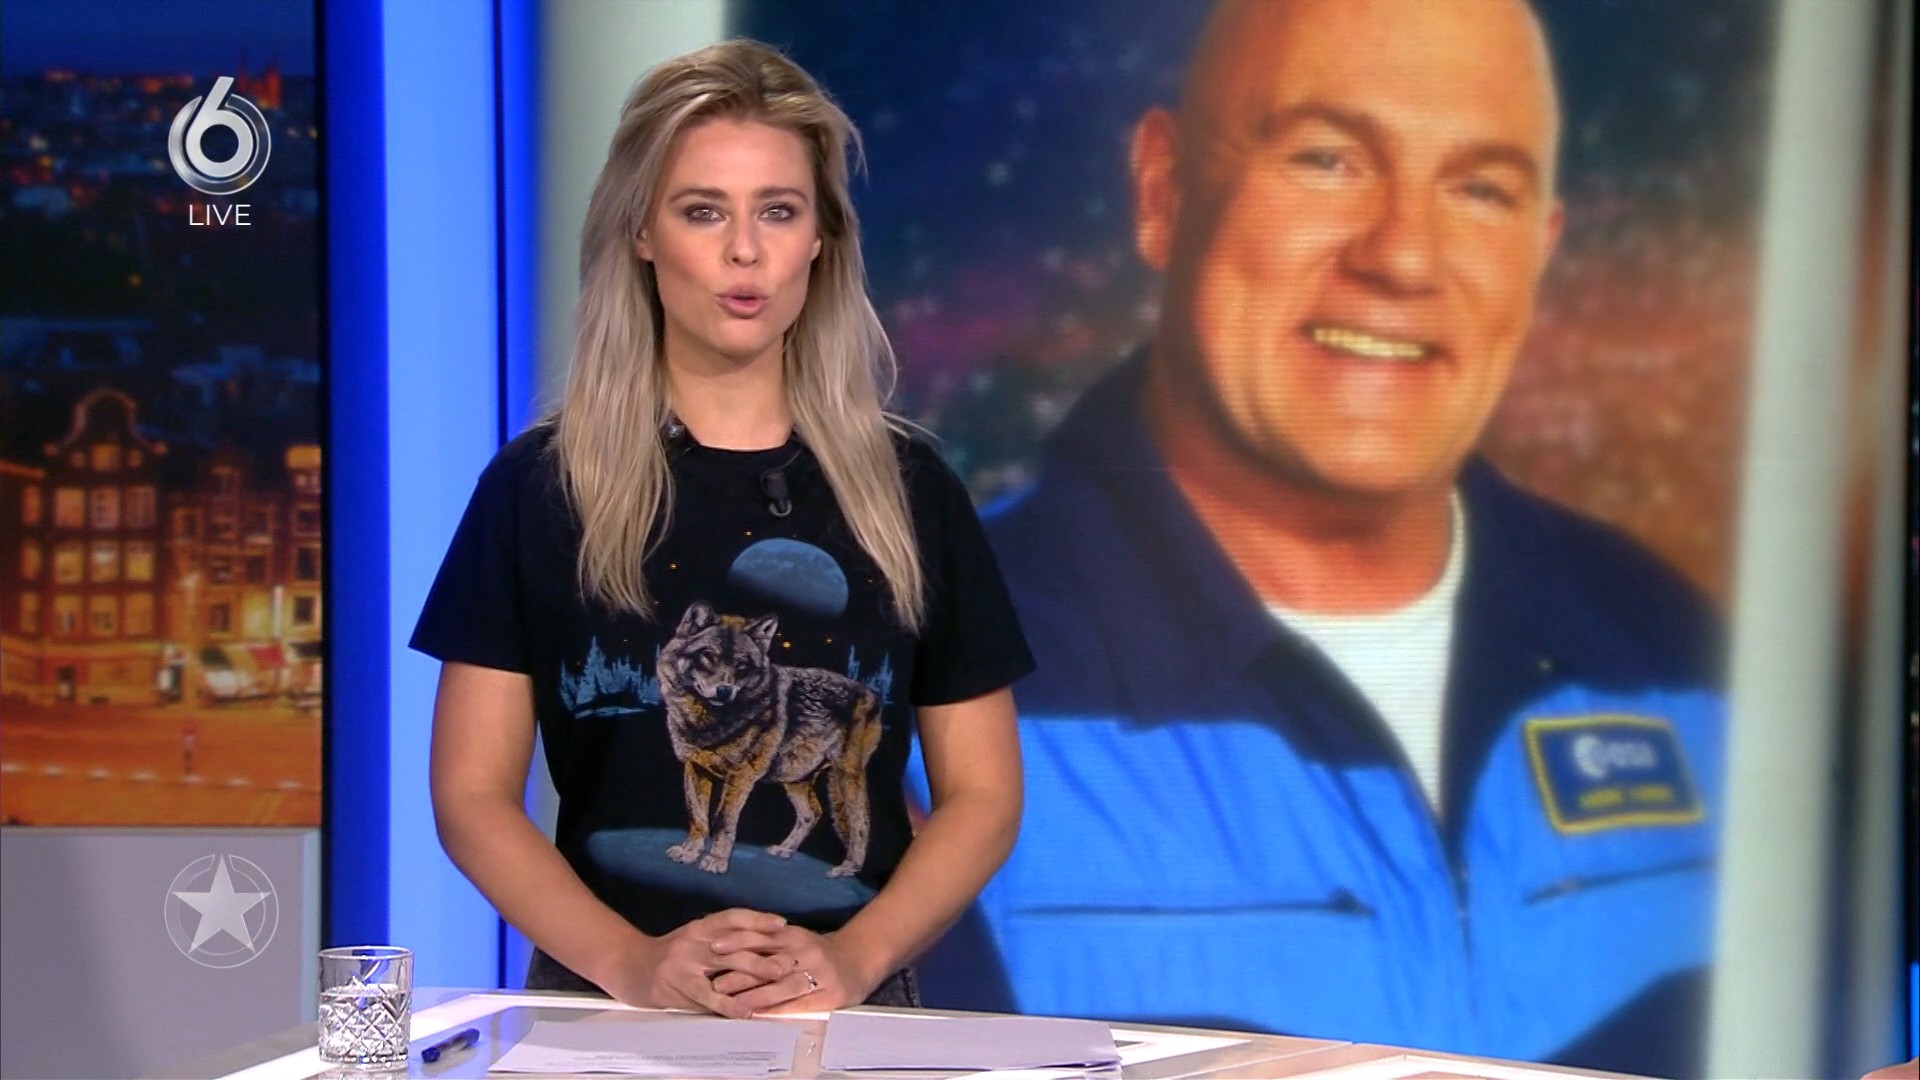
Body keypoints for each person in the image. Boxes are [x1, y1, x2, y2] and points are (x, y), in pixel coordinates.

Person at [930, 0, 1725, 1074]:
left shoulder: (1674, 651)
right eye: (1327, 159)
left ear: (1541, 251)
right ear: (1164, 190)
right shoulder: (933, 675)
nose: (1404, 257)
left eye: (1480, 188)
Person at [411, 40, 1030, 1018]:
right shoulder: (539, 489)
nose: (746, 252)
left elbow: (985, 797)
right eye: (703, 211)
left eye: (777, 211)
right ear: (641, 232)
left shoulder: (911, 490)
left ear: (821, 238)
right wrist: (629, 963)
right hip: (607, 1010)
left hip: (851, 1017)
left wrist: (852, 961)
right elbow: (470, 796)